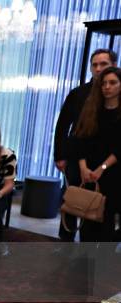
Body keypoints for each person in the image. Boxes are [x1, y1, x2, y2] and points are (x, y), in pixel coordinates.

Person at [54, 49, 117, 241]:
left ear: (113, 65)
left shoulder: (115, 95)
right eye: (94, 65)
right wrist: (59, 155)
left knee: (98, 206)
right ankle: (64, 243)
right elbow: (63, 125)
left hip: (107, 162)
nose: (98, 69)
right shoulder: (78, 93)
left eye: (103, 64)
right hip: (77, 157)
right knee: (74, 199)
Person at [75, 66, 121, 242]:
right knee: (87, 220)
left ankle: (102, 265)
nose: (107, 87)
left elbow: (119, 149)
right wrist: (83, 167)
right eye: (104, 83)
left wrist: (102, 168)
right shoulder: (92, 110)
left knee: (106, 221)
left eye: (113, 83)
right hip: (89, 172)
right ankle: (85, 263)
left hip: (113, 173)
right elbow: (80, 140)